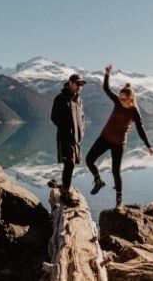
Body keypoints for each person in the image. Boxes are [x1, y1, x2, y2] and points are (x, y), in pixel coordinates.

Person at [86, 64, 153, 209]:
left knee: (115, 171)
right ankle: (98, 180)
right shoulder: (117, 102)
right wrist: (107, 74)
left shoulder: (134, 111)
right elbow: (106, 89)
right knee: (89, 160)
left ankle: (119, 198)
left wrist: (149, 146)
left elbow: (141, 129)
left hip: (119, 143)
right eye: (120, 98)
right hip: (105, 137)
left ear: (131, 99)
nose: (121, 100)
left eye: (124, 99)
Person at [51, 73, 86, 206]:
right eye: (77, 84)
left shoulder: (79, 100)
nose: (79, 87)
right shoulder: (60, 98)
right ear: (70, 83)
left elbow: (82, 116)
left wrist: (81, 131)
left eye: (81, 85)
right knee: (69, 163)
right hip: (65, 137)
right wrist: (67, 128)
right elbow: (54, 117)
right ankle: (65, 194)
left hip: (76, 138)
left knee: (71, 164)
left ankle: (65, 189)